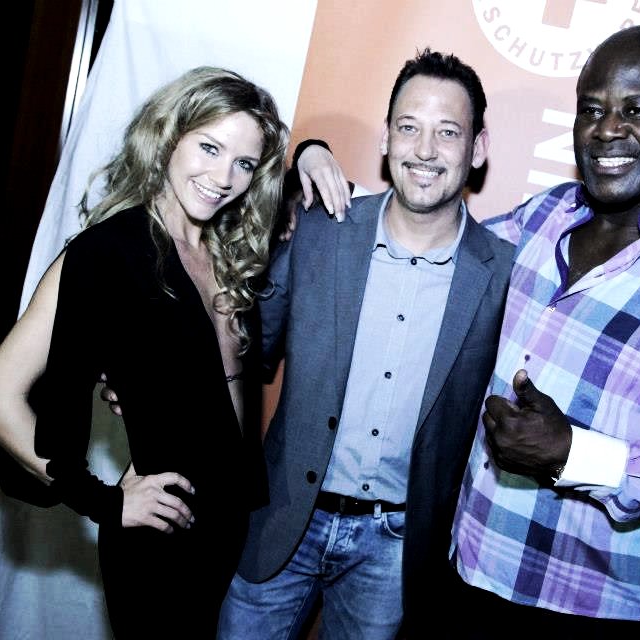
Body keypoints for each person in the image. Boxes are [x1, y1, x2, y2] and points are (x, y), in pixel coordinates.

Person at [299, 24, 640, 638]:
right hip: (465, 572)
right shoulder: (549, 213)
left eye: (637, 110)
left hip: (595, 607)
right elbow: (428, 231)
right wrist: (315, 165)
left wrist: (576, 455)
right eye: (593, 109)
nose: (608, 129)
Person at [0, 66, 294, 638]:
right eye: (210, 147)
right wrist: (103, 502)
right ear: (169, 137)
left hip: (233, 530)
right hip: (160, 540)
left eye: (244, 163)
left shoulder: (227, 255)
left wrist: (311, 154)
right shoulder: (107, 253)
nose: (224, 177)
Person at [214, 49, 515, 640]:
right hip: (283, 519)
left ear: (477, 148)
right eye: (409, 127)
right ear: (385, 139)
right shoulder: (319, 230)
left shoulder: (503, 273)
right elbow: (244, 349)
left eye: (447, 132)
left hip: (394, 550)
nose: (424, 150)